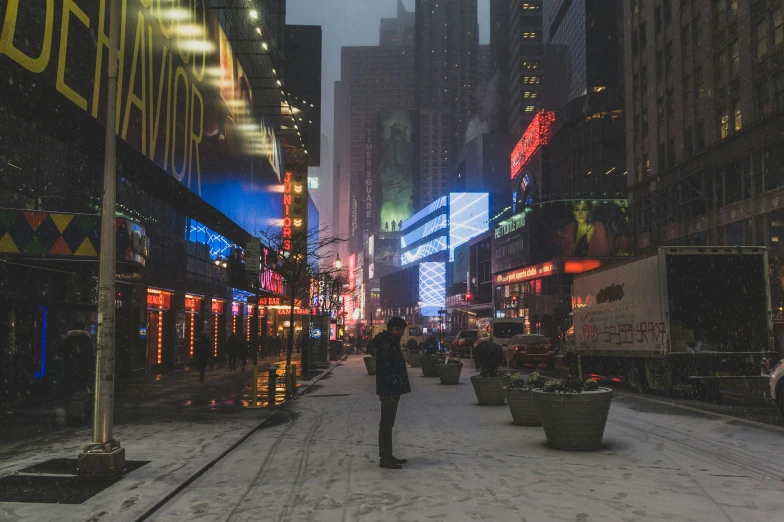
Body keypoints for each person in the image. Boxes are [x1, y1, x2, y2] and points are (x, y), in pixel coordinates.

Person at [373, 316, 411, 469]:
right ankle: (385, 457)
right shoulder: (388, 343)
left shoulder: (389, 342)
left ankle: (388, 454)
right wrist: (394, 384)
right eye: (401, 329)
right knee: (386, 424)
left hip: (390, 388)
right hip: (389, 389)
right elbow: (388, 369)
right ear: (394, 329)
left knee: (388, 424)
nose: (403, 332)